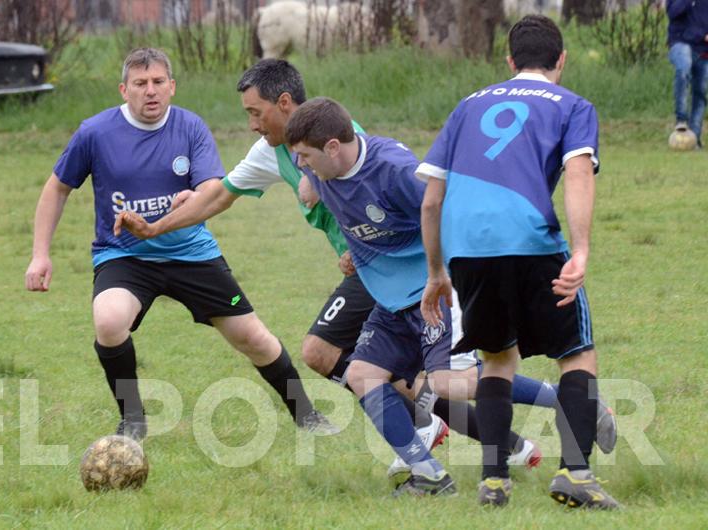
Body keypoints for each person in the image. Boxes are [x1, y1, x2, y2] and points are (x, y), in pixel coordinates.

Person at [113, 60, 611, 473]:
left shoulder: (341, 142)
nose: (252, 124)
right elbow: (216, 197)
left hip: (404, 269)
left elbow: (421, 200)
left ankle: (524, 420)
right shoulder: (272, 153)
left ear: (286, 107)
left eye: (256, 112)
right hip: (370, 271)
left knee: (408, 373)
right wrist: (155, 229)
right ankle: (443, 443)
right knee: (346, 362)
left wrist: (443, 266)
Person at [24, 48, 336, 441]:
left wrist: (194, 197)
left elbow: (212, 187)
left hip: (192, 253)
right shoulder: (94, 133)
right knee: (109, 320)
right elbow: (57, 188)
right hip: (124, 255)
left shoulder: (190, 127)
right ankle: (132, 421)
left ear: (172, 87)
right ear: (124, 89)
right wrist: (40, 254)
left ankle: (306, 415)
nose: (149, 92)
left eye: (158, 82)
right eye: (140, 84)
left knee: (254, 339)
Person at [418, 15, 620, 509]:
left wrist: (437, 272)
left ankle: (493, 481)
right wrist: (581, 250)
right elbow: (577, 172)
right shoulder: (573, 104)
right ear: (562, 61)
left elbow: (430, 201)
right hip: (529, 238)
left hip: (466, 247)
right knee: (577, 353)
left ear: (509, 62)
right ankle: (575, 472)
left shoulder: (467, 106)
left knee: (496, 357)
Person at [285, 96, 466, 496]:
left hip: (432, 292)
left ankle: (569, 402)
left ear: (333, 147)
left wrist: (450, 278)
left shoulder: (395, 169)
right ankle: (430, 476)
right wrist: (356, 250)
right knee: (362, 375)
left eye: (304, 156)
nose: (301, 166)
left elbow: (444, 215)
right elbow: (352, 210)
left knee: (452, 384)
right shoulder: (322, 174)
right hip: (389, 299)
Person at [666, 0, 708, 146]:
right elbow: (672, 12)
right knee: (683, 69)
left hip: (703, 49)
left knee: (701, 92)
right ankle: (681, 119)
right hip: (680, 43)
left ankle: (694, 137)